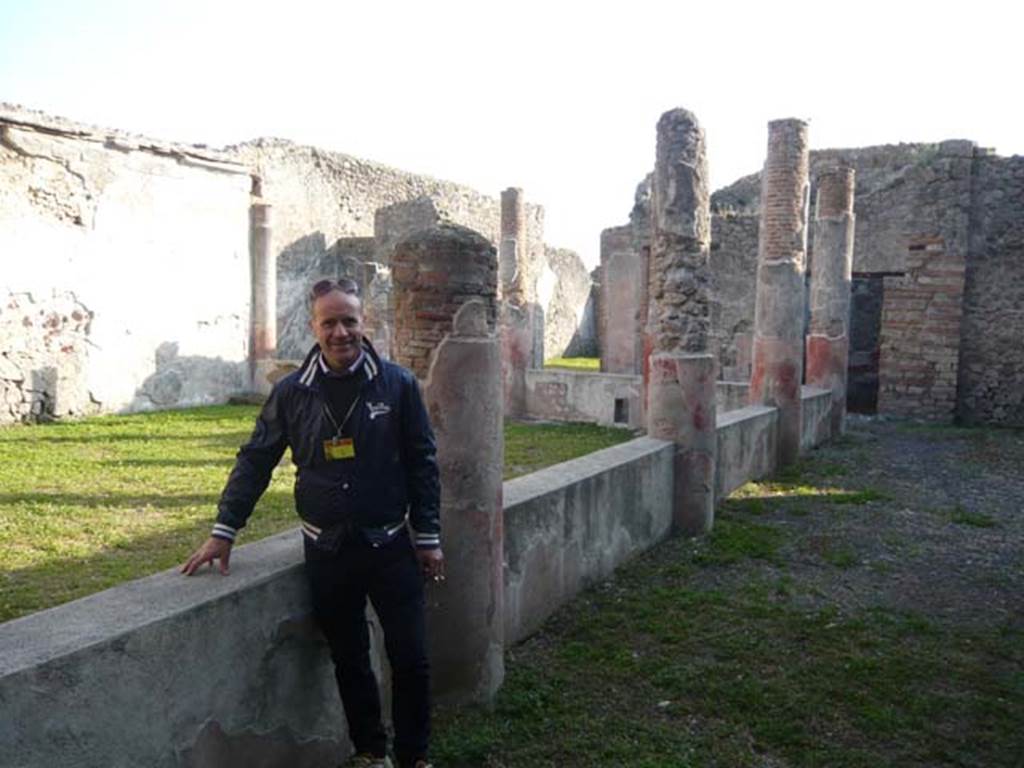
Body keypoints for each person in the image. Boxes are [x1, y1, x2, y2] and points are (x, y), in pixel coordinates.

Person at [182, 277, 443, 768]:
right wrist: (224, 529)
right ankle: (371, 753)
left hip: (390, 545)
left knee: (411, 657)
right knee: (349, 659)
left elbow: (422, 463)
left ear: (363, 323)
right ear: (313, 326)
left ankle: (414, 757)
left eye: (349, 321)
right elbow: (256, 459)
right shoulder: (291, 392)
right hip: (327, 551)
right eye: (330, 322)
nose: (341, 332)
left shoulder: (398, 384)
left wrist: (428, 537)